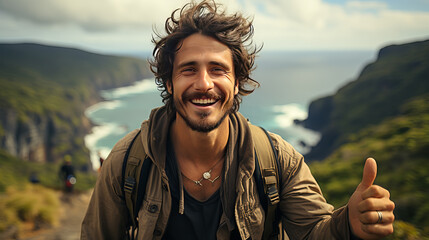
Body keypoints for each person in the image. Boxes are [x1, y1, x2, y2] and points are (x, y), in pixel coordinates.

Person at [81, 1, 395, 239]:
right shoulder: (128, 163)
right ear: (169, 82)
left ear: (236, 82)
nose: (204, 84)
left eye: (218, 69)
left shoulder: (277, 160)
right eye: (189, 69)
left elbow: (314, 231)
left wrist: (349, 223)